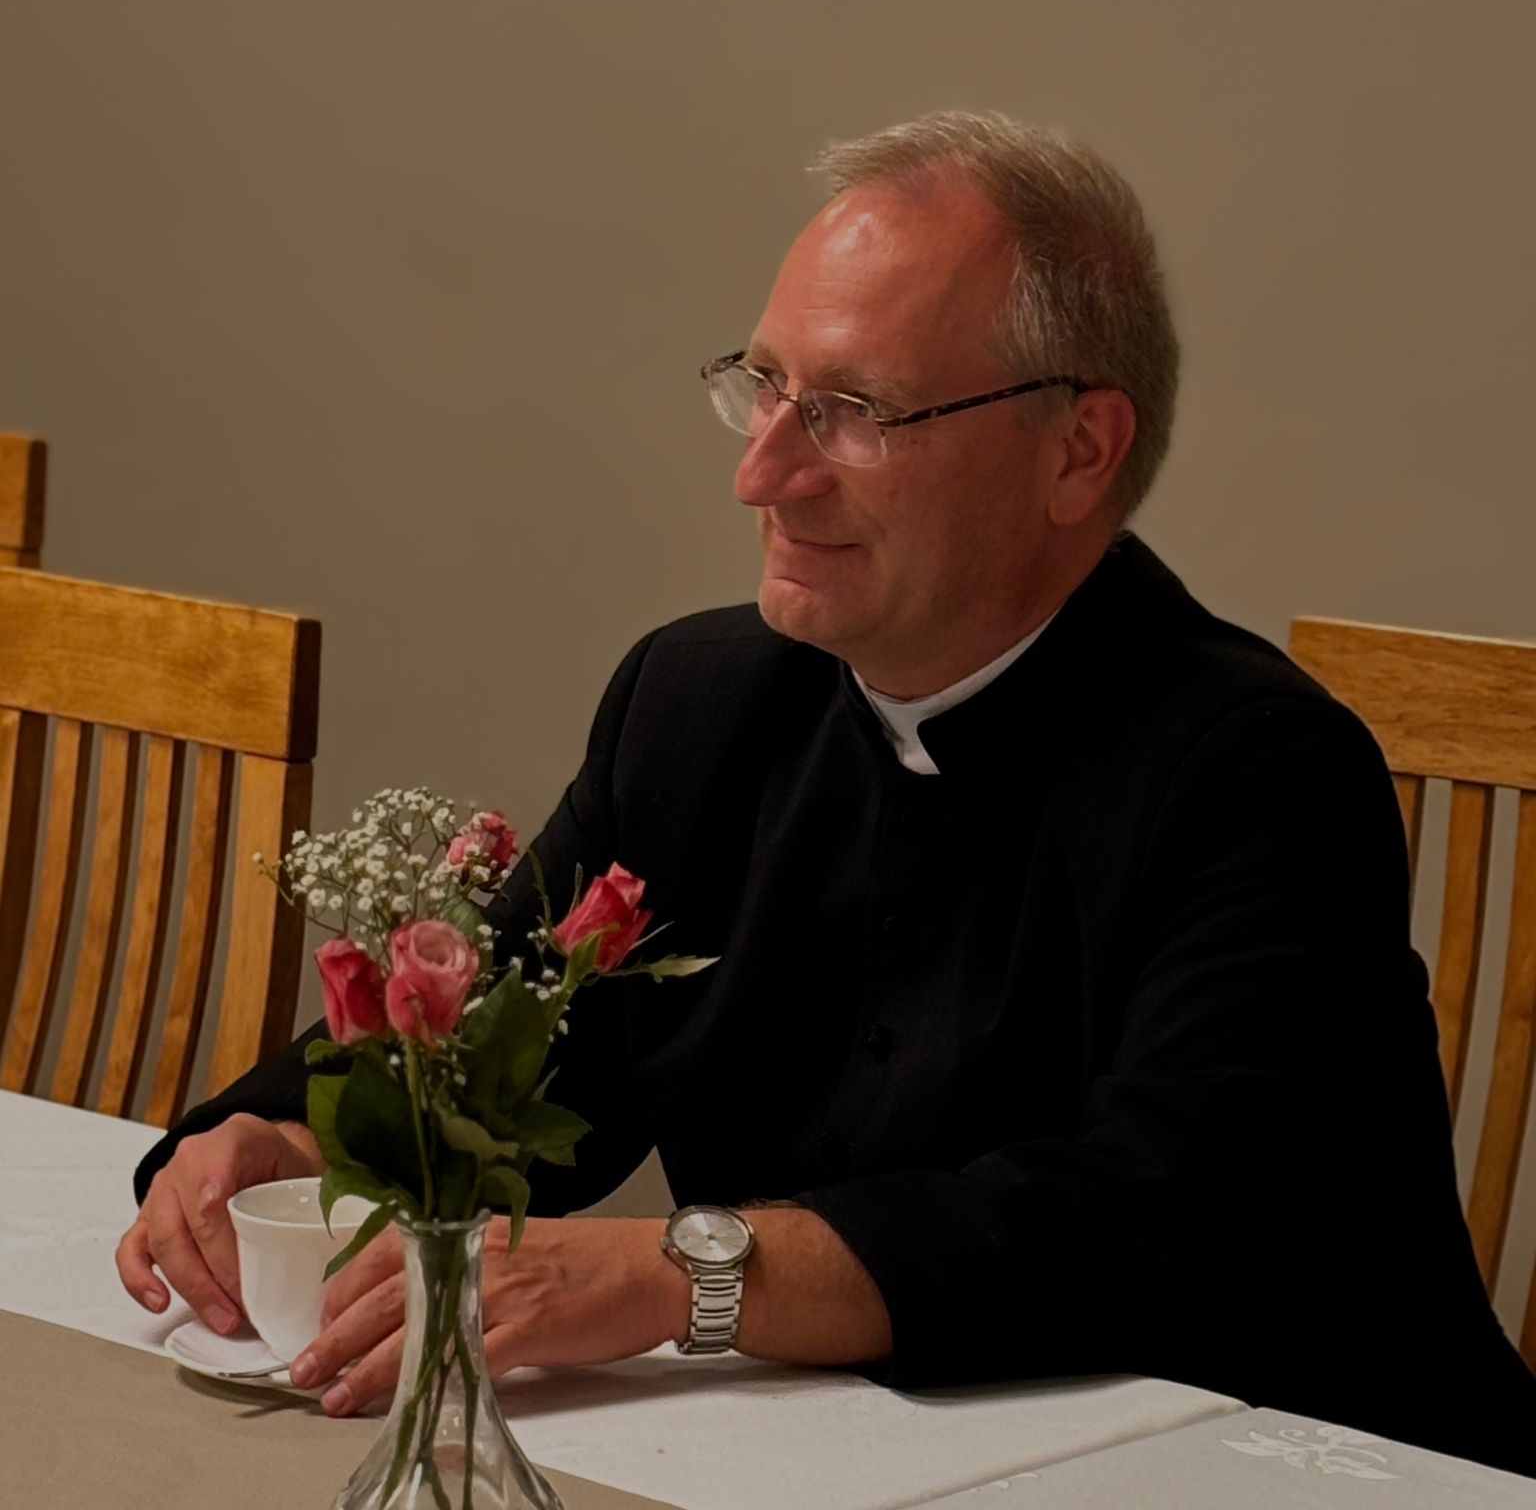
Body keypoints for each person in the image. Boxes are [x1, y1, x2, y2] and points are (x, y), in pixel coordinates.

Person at [119, 111, 1536, 1474]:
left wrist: (681, 1275)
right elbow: (516, 1058)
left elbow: (1159, 1222)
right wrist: (288, 1147)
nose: (763, 472)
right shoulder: (697, 703)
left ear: (1079, 451)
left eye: (854, 411)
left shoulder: (1257, 767)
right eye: (765, 385)